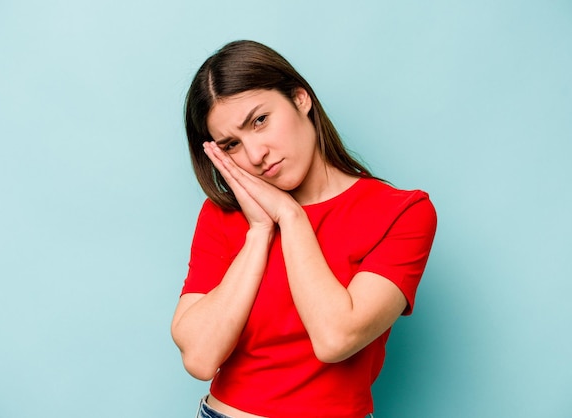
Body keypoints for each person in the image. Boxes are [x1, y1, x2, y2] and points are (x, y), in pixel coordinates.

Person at [171, 40, 437, 418]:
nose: (255, 155)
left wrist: (291, 217)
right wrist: (260, 231)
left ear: (300, 99)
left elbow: (335, 337)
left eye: (260, 120)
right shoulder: (224, 215)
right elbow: (199, 357)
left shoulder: (401, 213)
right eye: (232, 144)